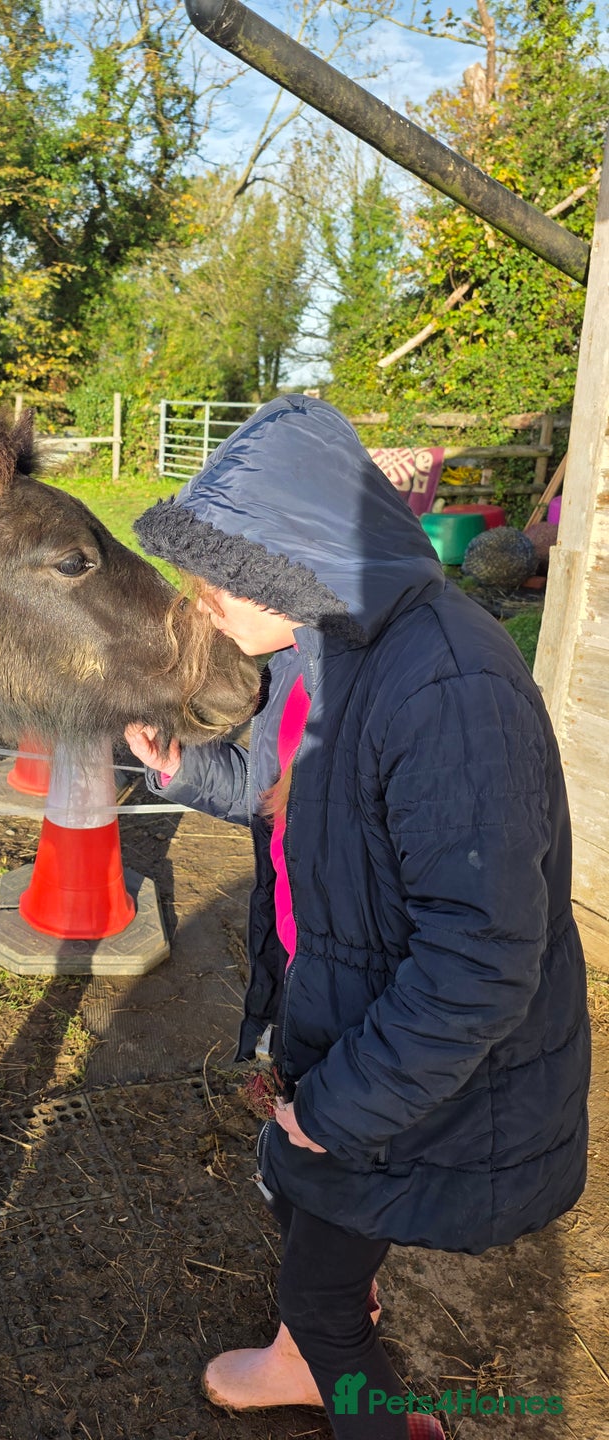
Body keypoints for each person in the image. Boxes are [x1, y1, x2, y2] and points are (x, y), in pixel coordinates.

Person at [126, 394, 590, 1440]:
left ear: (293, 552)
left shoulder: (450, 687)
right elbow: (279, 789)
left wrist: (335, 1108)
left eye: (214, 580)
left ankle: (356, 1396)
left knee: (323, 1296)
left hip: (413, 1069)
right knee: (302, 1207)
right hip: (340, 1013)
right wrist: (185, 766)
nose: (200, 606)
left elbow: (478, 960)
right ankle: (309, 1350)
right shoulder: (318, 642)